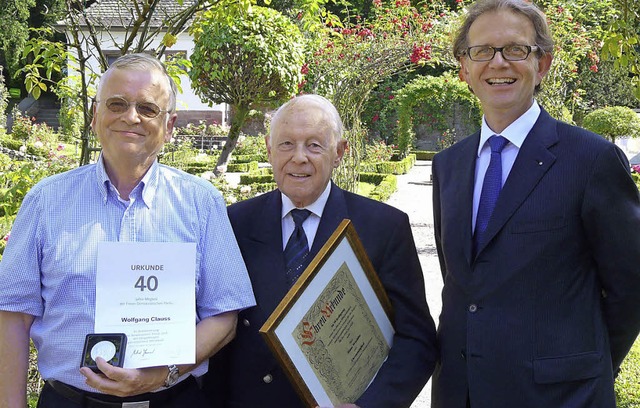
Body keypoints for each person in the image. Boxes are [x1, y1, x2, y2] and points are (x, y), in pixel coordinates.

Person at [0, 53, 256, 407]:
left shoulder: (201, 202)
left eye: (148, 109)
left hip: (173, 399)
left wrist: (160, 373)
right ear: (95, 116)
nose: (130, 117)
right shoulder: (46, 201)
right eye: (116, 104)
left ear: (169, 126)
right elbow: (12, 316)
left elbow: (224, 315)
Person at [431, 0, 640, 406]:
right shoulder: (448, 165)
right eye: (482, 51)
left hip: (561, 396)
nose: (498, 63)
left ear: (541, 64)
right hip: (461, 393)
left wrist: (584, 367)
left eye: (516, 49)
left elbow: (631, 287)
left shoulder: (592, 160)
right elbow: (463, 284)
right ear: (465, 69)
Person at [203, 94, 437, 408]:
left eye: (314, 145)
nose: (299, 157)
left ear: (340, 152)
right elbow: (216, 328)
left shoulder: (384, 227)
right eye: (286, 144)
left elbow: (416, 339)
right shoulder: (235, 222)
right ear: (270, 151)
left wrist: (372, 405)